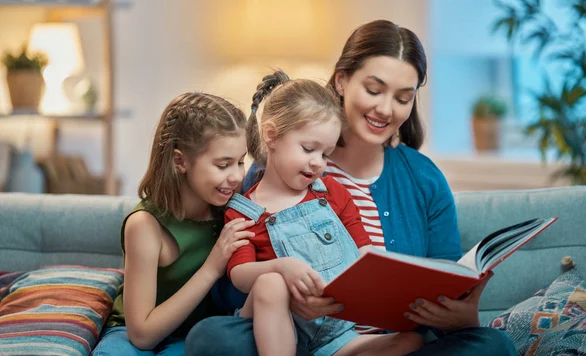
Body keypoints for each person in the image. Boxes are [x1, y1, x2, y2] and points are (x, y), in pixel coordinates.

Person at [185, 20, 517, 356]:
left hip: (382, 343)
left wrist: (461, 316)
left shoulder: (424, 178)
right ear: (341, 81)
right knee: (211, 338)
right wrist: (287, 296)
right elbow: (231, 287)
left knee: (493, 345)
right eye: (374, 90)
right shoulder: (265, 175)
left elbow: (444, 278)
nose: (385, 109)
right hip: (292, 338)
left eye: (403, 98)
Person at [223, 70, 424, 356]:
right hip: (281, 330)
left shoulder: (331, 191)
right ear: (271, 136)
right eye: (308, 149)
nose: (318, 162)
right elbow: (239, 274)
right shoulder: (244, 211)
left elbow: (365, 250)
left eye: (326, 154)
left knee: (411, 341)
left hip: (339, 335)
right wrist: (281, 267)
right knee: (270, 282)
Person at [92, 92, 256, 355]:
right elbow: (142, 335)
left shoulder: (233, 208)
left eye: (240, 162)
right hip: (135, 336)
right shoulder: (145, 225)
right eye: (223, 165)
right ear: (180, 161)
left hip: (198, 334)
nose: (236, 176)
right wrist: (212, 267)